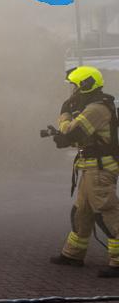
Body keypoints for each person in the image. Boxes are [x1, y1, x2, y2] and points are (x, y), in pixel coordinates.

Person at [50, 66, 119, 277]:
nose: (73, 93)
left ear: (85, 85)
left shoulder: (97, 109)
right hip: (90, 168)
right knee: (82, 212)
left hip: (99, 170)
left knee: (107, 213)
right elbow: (78, 138)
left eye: (75, 87)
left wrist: (64, 115)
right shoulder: (91, 107)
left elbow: (72, 132)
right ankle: (73, 254)